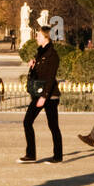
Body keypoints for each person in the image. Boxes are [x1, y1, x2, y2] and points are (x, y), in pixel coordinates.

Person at [19, 26, 62, 163]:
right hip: (39, 93)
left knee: (53, 126)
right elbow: (39, 73)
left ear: (46, 37)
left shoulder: (52, 55)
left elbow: (50, 77)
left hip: (49, 95)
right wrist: (33, 65)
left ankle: (58, 155)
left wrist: (44, 96)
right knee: (27, 122)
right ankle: (31, 154)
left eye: (38, 36)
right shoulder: (40, 52)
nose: (36, 38)